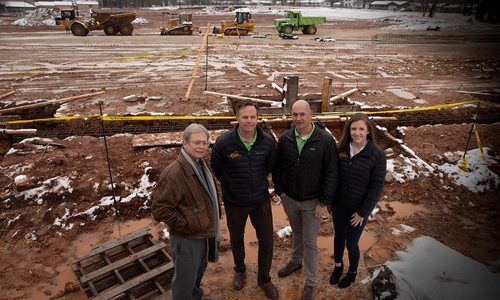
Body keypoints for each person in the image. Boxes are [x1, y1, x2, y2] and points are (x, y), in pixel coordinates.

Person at [211, 100, 279, 300]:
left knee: (267, 240)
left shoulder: (267, 142)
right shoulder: (224, 143)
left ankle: (264, 279)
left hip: (260, 200)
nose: (249, 121)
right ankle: (240, 270)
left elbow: (269, 166)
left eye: (253, 117)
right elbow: (217, 168)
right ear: (237, 118)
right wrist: (232, 184)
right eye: (245, 117)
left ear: (257, 118)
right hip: (235, 201)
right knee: (236, 238)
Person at [272, 100, 339, 300]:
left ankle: (310, 282)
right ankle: (295, 261)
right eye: (295, 115)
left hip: (312, 203)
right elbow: (277, 168)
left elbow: (331, 173)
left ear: (311, 115)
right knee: (297, 231)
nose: (299, 118)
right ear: (291, 116)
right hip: (290, 199)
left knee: (310, 242)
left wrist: (324, 202)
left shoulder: (324, 140)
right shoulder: (285, 139)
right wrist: (281, 191)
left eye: (303, 114)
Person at [152, 124, 220, 300]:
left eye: (205, 143)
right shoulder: (174, 174)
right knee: (185, 280)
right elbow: (160, 210)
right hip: (187, 237)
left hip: (201, 233)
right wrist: (188, 224)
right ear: (185, 143)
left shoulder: (199, 165)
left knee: (197, 272)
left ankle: (195, 296)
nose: (202, 147)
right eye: (196, 142)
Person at [329, 113, 386, 288]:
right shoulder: (342, 150)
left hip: (358, 210)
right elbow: (334, 176)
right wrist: (330, 201)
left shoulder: (376, 155)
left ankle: (352, 272)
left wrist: (363, 212)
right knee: (339, 237)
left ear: (368, 131)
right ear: (349, 130)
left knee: (352, 242)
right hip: (339, 205)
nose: (357, 133)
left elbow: (377, 187)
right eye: (353, 129)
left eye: (361, 129)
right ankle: (338, 266)